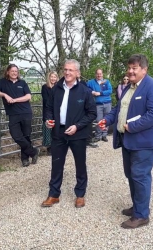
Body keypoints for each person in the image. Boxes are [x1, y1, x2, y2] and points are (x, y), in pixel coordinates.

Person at [99, 54, 153, 229]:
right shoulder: (130, 86)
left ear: (144, 69)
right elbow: (118, 108)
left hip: (145, 142)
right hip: (128, 140)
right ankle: (138, 206)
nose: (130, 71)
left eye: (134, 68)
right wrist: (107, 119)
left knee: (140, 175)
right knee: (131, 175)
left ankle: (142, 215)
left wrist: (133, 126)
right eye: (129, 68)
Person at [41, 59, 97, 208]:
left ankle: (80, 194)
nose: (67, 72)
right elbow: (48, 107)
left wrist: (77, 126)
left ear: (77, 73)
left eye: (70, 70)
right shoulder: (56, 88)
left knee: (80, 164)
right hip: (58, 132)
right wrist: (48, 119)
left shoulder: (84, 91)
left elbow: (92, 113)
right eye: (65, 70)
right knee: (56, 164)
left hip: (77, 134)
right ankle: (53, 194)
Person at [0, 64, 39, 167]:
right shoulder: (2, 82)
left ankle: (25, 160)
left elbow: (28, 96)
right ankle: (33, 152)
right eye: (12, 71)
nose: (14, 73)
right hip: (13, 114)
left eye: (16, 71)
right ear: (8, 72)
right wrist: (4, 95)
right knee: (16, 136)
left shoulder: (22, 83)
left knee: (26, 136)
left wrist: (15, 100)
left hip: (26, 112)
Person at [87, 69, 113, 142]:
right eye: (98, 74)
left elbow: (110, 91)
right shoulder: (91, 82)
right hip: (98, 104)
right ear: (95, 74)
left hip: (107, 103)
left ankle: (104, 135)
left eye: (100, 74)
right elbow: (85, 88)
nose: (99, 75)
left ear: (102, 74)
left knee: (106, 120)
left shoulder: (106, 82)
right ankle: (98, 135)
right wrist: (92, 92)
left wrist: (100, 93)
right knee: (99, 120)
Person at [41, 71, 58, 155]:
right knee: (48, 128)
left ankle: (56, 146)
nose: (53, 78)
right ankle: (49, 147)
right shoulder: (45, 87)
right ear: (49, 77)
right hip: (48, 110)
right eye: (51, 77)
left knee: (56, 128)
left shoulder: (59, 87)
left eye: (55, 77)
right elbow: (46, 99)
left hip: (57, 110)